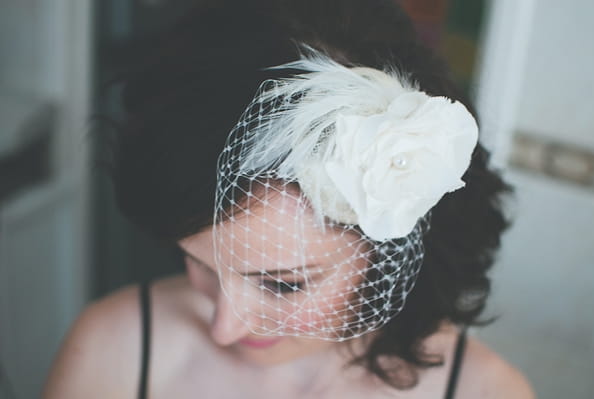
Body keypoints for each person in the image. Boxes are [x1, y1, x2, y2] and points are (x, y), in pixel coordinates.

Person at [43, 0, 535, 398]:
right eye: (203, 266)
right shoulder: (114, 347)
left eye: (283, 285)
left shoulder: (485, 391)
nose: (224, 328)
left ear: (396, 250)